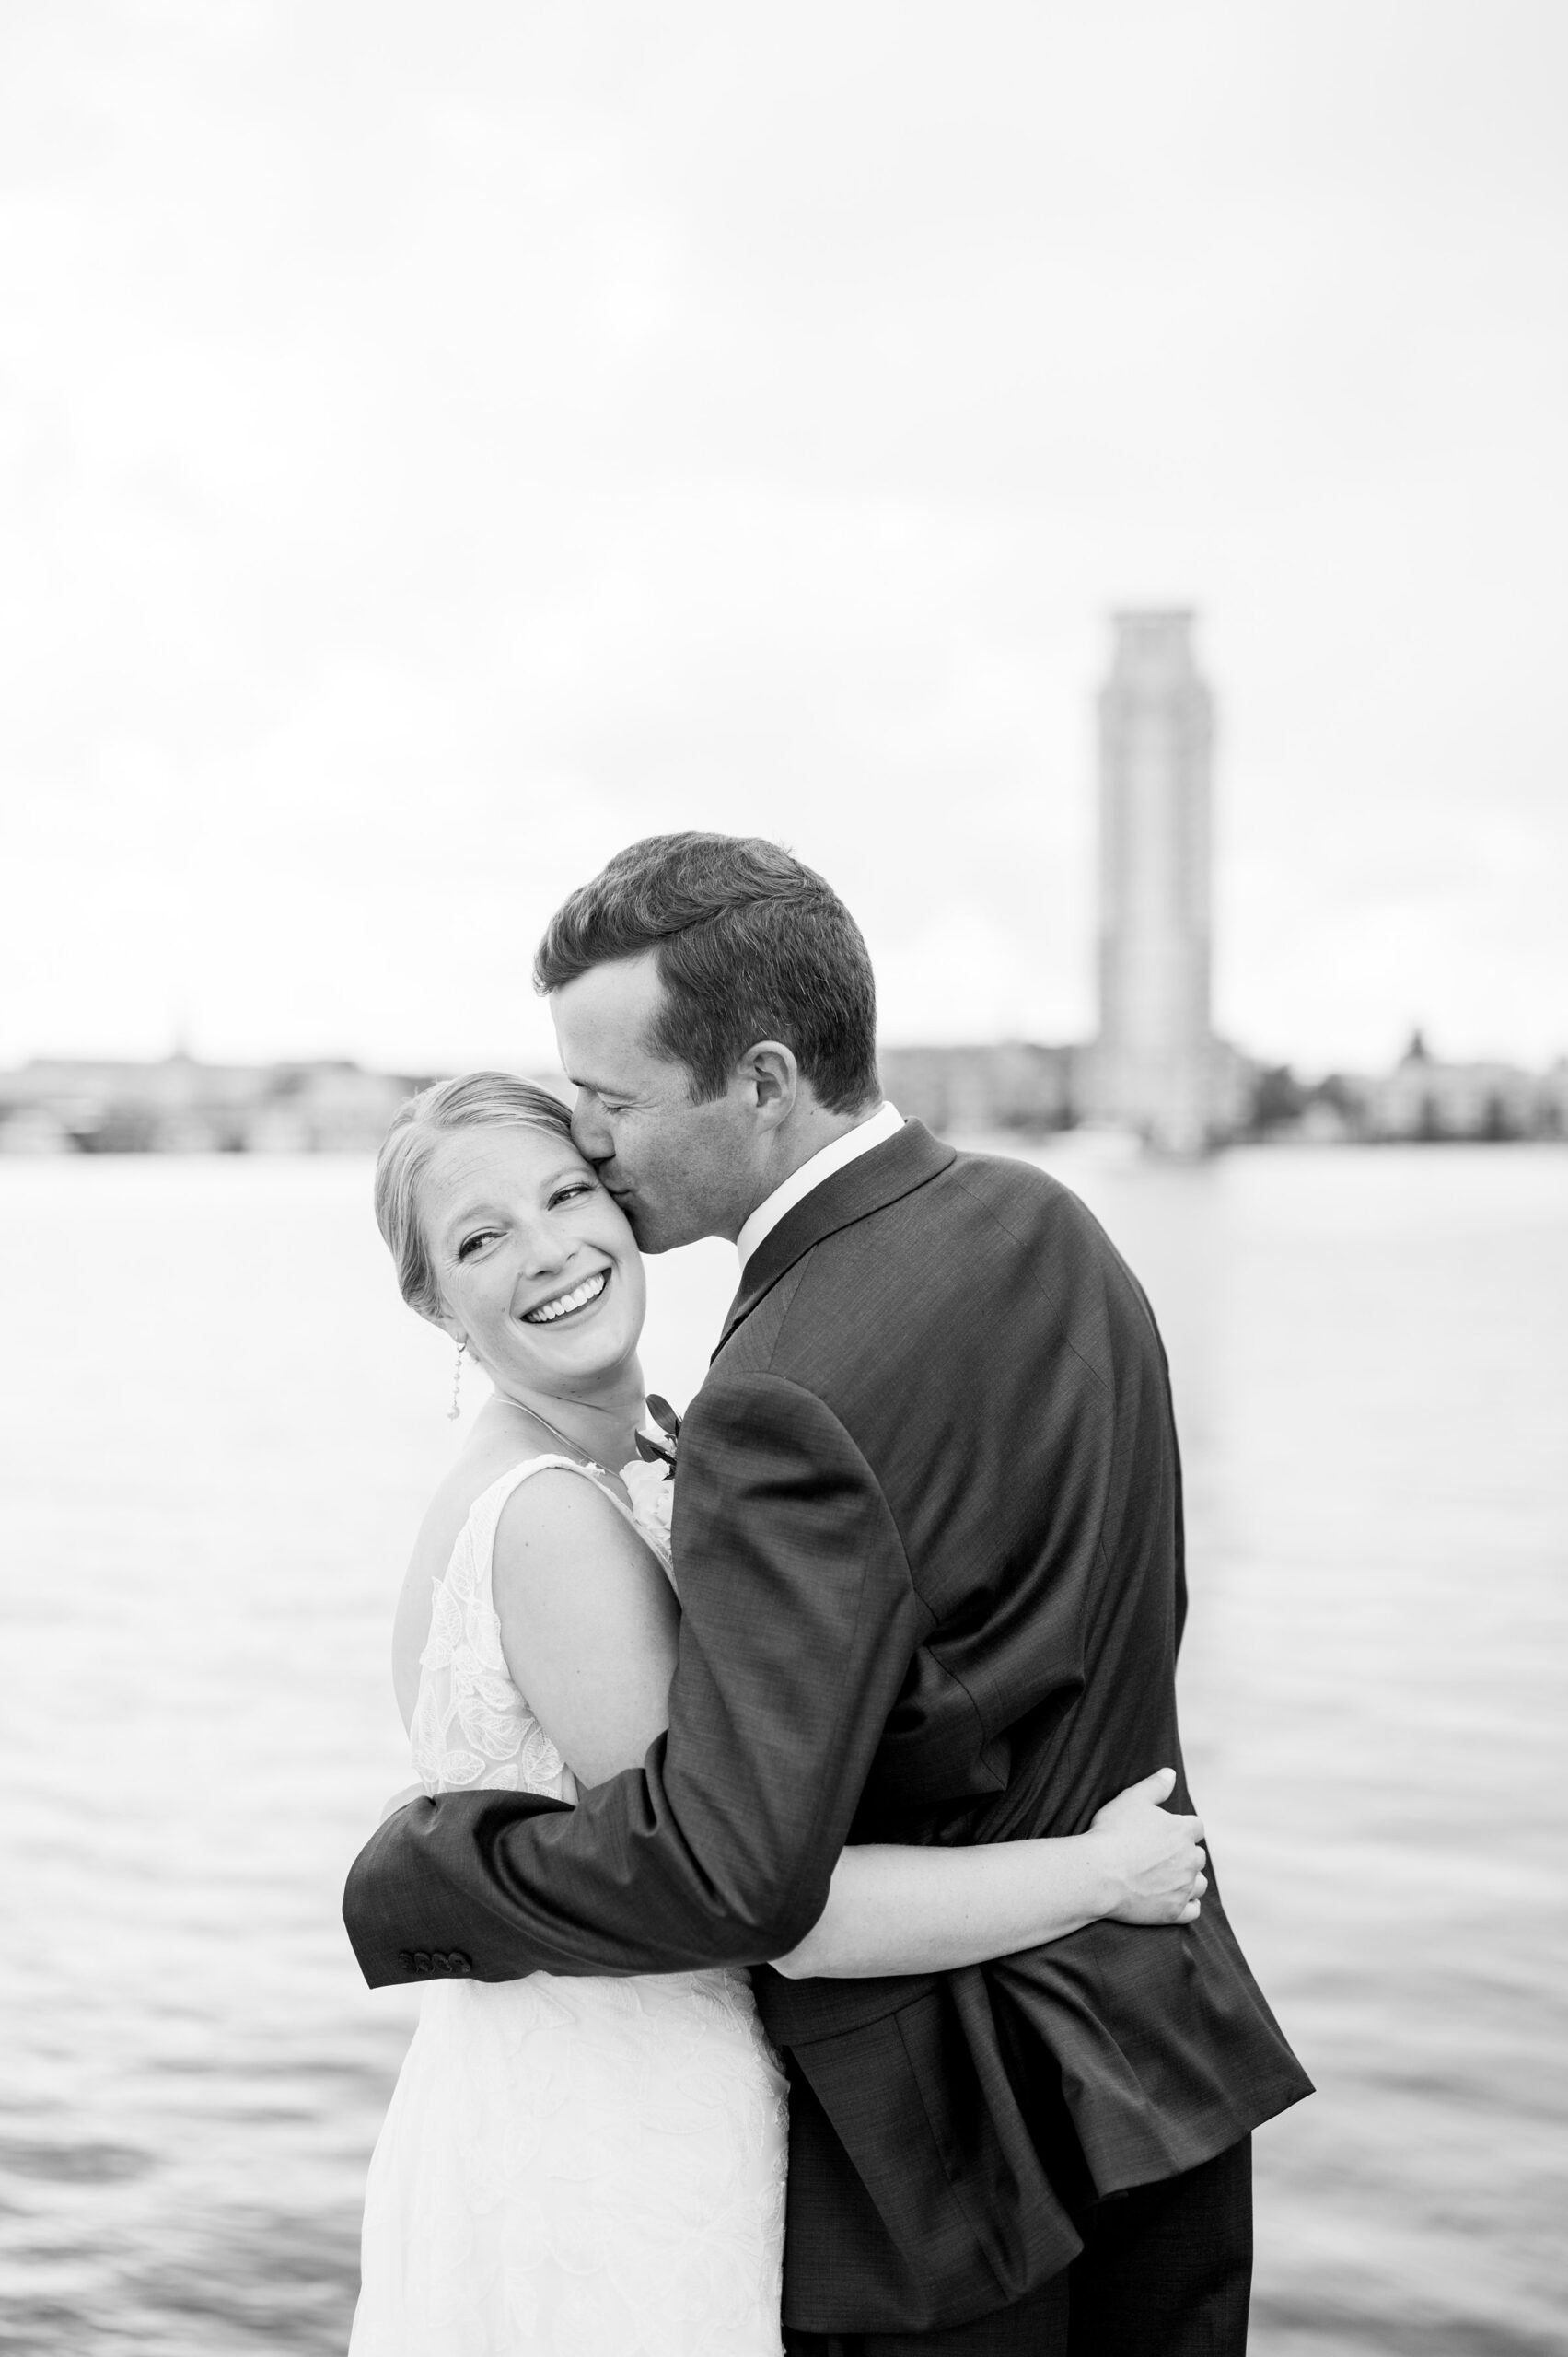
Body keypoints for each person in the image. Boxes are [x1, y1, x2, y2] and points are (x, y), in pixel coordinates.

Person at [345, 833, 1312, 2354]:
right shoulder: (1051, 1227)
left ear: (766, 1080)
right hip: (1167, 2071)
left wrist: (437, 1878)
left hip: (950, 2166)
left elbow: (740, 1878)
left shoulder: (774, 1389)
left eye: (609, 1106)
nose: (594, 1152)